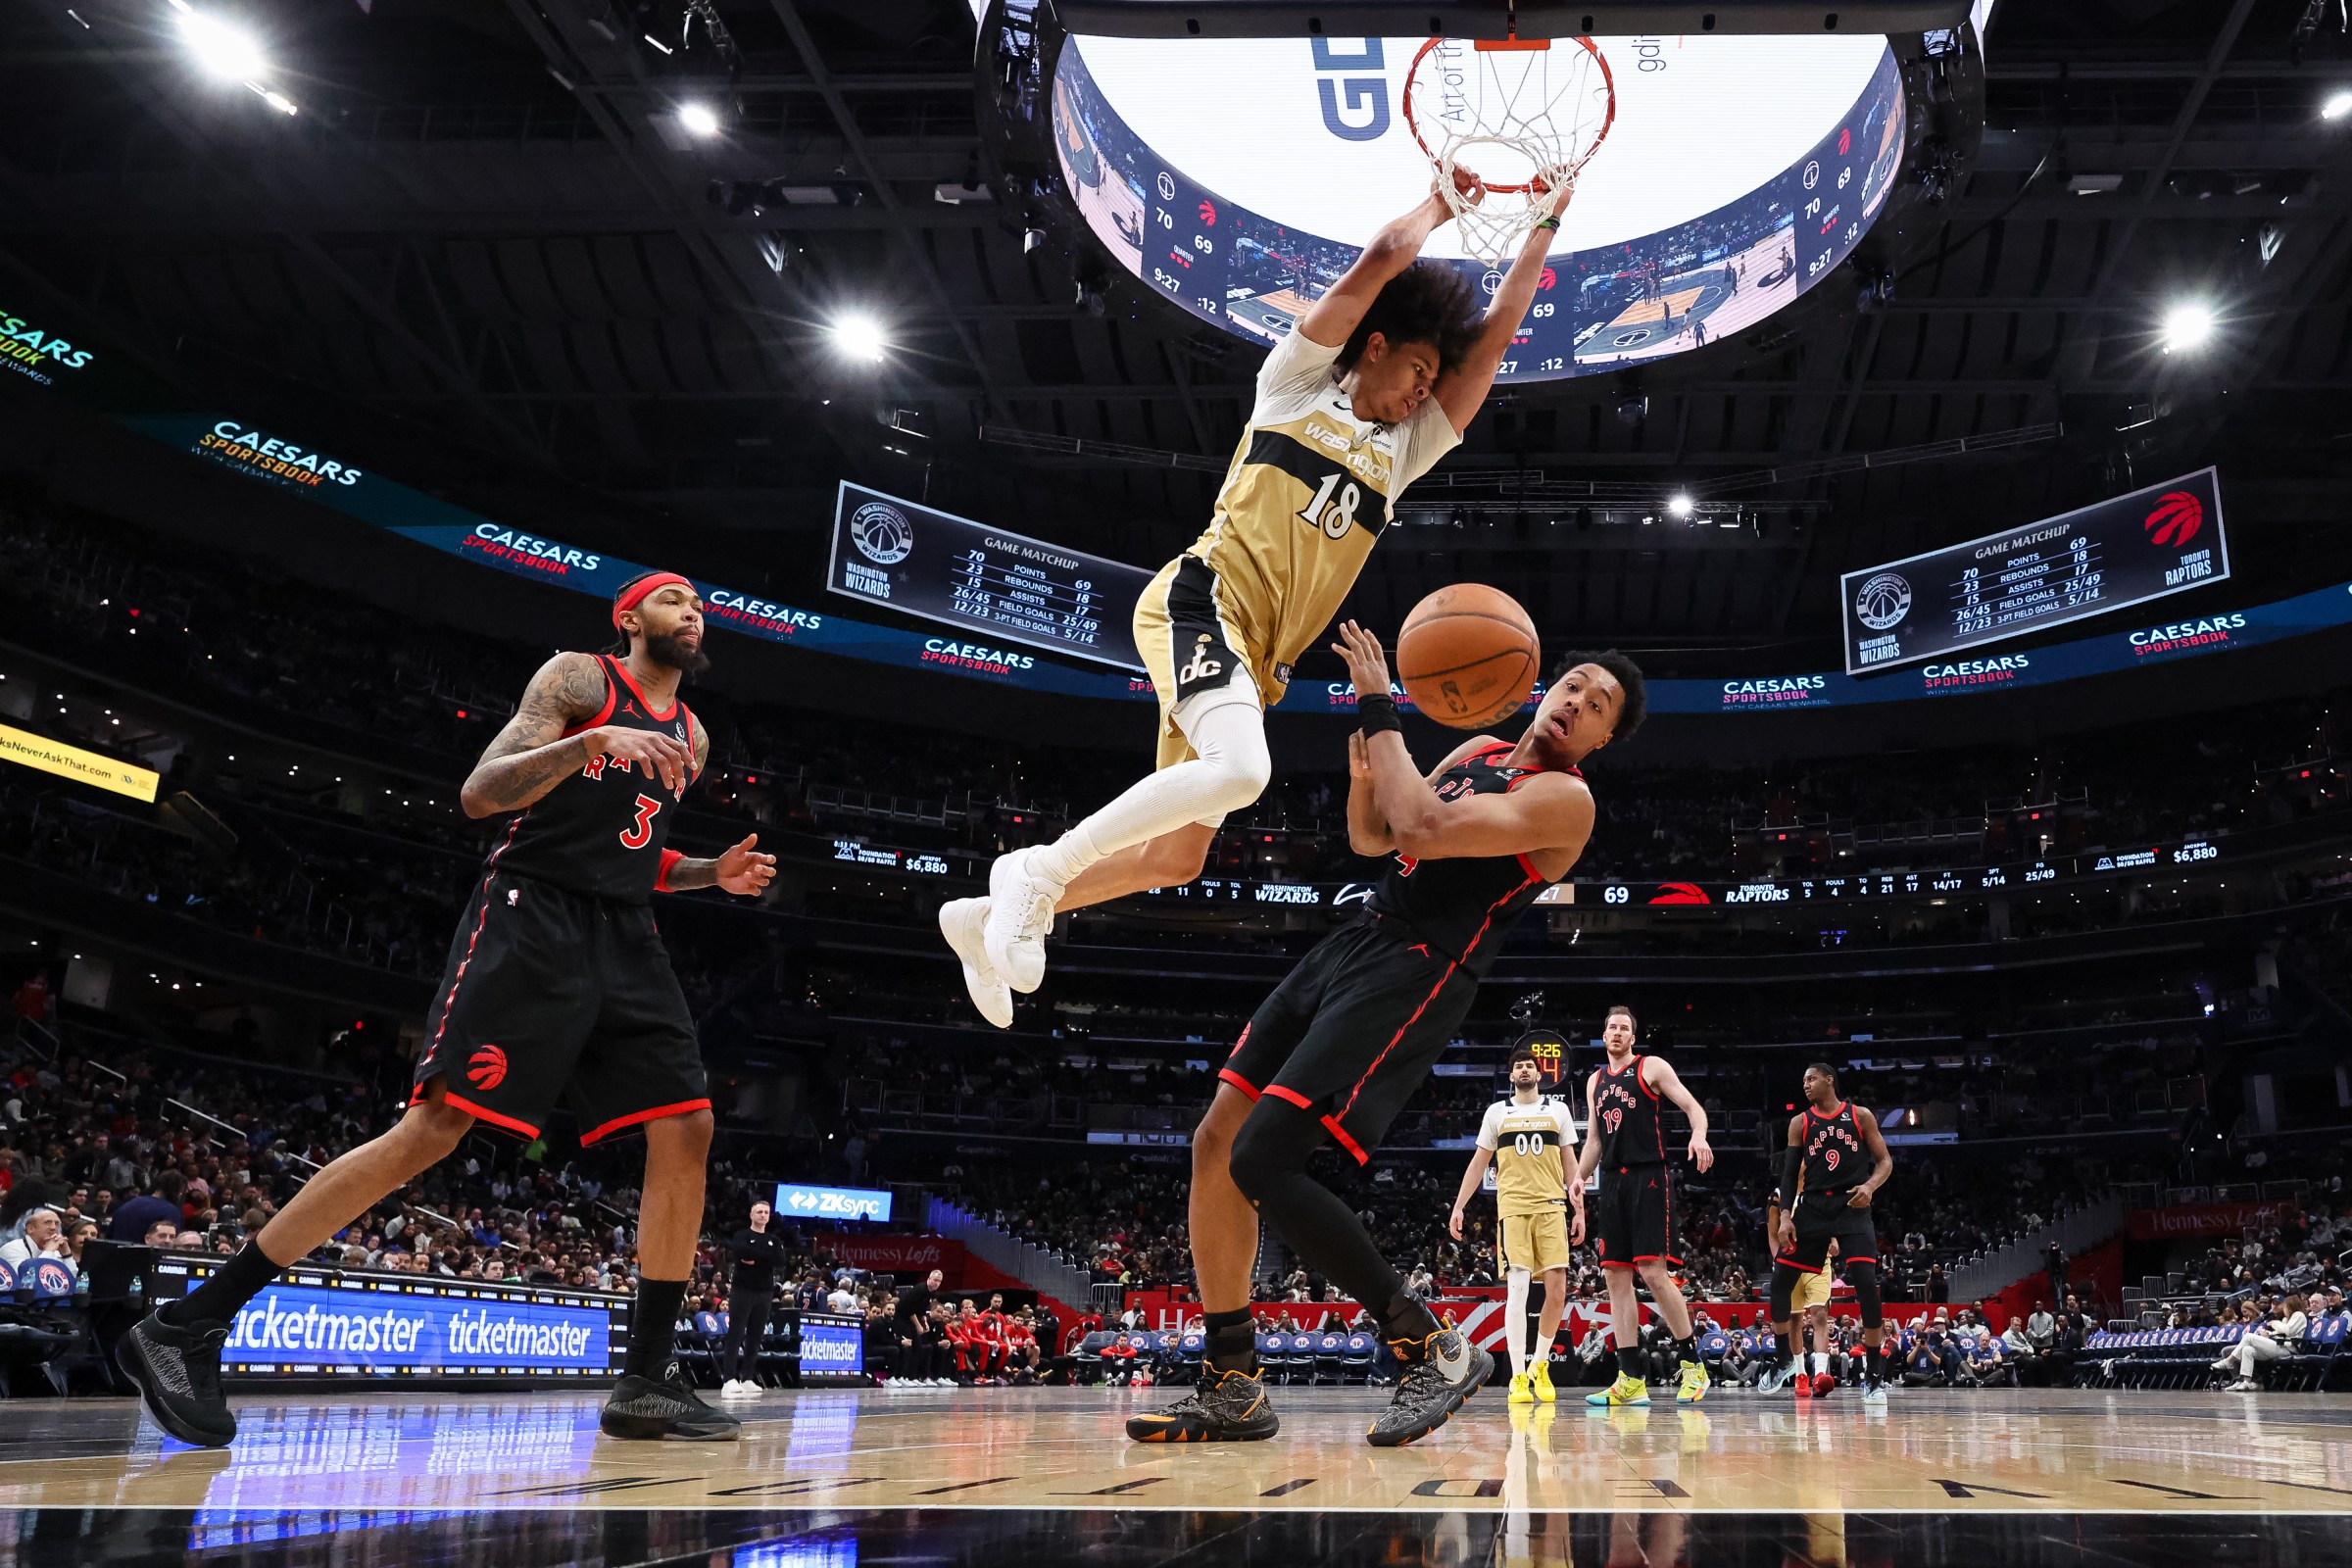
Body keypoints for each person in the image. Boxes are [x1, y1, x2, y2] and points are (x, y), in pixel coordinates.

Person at [117, 571, 777, 1449]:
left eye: (700, 605)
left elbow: (635, 853)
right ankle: (186, 1326)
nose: (692, 614)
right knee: (432, 1130)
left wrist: (709, 875)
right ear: (629, 620)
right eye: (672, 601)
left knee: (689, 1127)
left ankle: (647, 1378)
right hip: (531, 912)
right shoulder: (580, 680)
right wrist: (587, 745)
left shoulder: (690, 735)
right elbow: (482, 792)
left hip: (624, 932)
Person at [942, 172, 1581, 1026]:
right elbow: (1383, 259)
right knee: (1243, 772)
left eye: (1437, 380)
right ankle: (1035, 875)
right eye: (1418, 368)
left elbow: (1497, 334)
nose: (1426, 389)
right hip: (1202, 601)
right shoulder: (1295, 386)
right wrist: (1440, 203)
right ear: (1377, 345)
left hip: (1256, 656)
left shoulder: (1404, 452)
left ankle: (984, 919)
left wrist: (1544, 222)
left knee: (1176, 857)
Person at [1127, 630, 1644, 1447]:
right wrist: (1362, 777)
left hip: (1418, 966)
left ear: (1602, 739)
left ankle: (1427, 1346)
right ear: (1545, 688)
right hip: (1357, 936)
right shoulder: (1477, 746)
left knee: (1263, 1156)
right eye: (1575, 685)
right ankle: (1233, 1381)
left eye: (1598, 706)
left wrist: (1380, 703)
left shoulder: (1566, 803)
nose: (1577, 702)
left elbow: (1425, 825)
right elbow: (1379, 836)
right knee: (1213, 1140)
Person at [1571, 1006, 1716, 1408]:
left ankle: (1693, 1366)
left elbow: (1693, 1107)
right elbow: (1594, 1142)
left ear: (1632, 1037)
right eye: (1611, 1027)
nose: (1617, 1033)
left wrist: (1699, 1136)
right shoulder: (1595, 1081)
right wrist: (1580, 1178)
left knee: (1653, 1271)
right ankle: (1630, 1379)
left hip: (1649, 1176)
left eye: (1624, 1028)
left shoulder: (1650, 1067)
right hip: (1613, 1180)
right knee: (1615, 1277)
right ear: (1603, 1035)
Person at [1448, 1045, 1583, 1405]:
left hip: (1553, 1206)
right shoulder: (1497, 1112)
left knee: (1557, 1293)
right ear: (1511, 1076)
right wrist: (1459, 1206)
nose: (1524, 1071)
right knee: (1519, 1292)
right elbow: (1478, 1163)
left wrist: (1580, 1210)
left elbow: (1572, 1166)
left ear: (1540, 1075)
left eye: (1530, 1067)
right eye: (1518, 1067)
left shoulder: (1558, 1110)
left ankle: (1540, 1365)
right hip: (1514, 1209)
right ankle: (1519, 1375)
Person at [1756, 1064, 1895, 1404]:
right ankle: (1785, 1361)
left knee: (1865, 1282)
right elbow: (1789, 1176)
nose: (1805, 1084)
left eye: (1811, 1078)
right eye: (1803, 1079)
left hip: (1852, 1205)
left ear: (1829, 1081)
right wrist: (1786, 1215)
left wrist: (1870, 1185)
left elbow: (1885, 1161)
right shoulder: (1800, 1123)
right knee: (1780, 1283)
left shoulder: (1859, 1116)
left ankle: (1874, 1375)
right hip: (1813, 1208)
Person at [718, 1199, 784, 1397]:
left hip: (765, 1292)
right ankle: (729, 1378)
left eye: (766, 1212)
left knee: (756, 1336)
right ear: (751, 1215)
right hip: (743, 1290)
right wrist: (766, 1258)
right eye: (759, 1212)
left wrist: (756, 1259)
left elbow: (780, 1261)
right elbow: (741, 1252)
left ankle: (747, 1377)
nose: (763, 1215)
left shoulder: (775, 1240)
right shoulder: (742, 1235)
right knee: (736, 1333)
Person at [2215, 1293, 2307, 1391]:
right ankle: (2247, 1382)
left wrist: (2275, 1323)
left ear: (2290, 1306)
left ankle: (2229, 1361)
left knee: (2249, 1336)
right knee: (2247, 1349)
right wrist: (2269, 1334)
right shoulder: (2286, 1319)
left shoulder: (2298, 1315)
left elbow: (2288, 1331)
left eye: (2285, 1307)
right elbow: (2281, 1332)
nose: (2284, 1309)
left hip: (2289, 1349)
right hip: (2280, 1346)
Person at [0, 1205, 67, 1268]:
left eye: (57, 1224)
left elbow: (70, 1279)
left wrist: (66, 1254)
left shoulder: (55, 1253)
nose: (53, 1227)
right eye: (47, 1222)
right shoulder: (12, 1249)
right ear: (30, 1229)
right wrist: (48, 1251)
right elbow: (26, 1278)